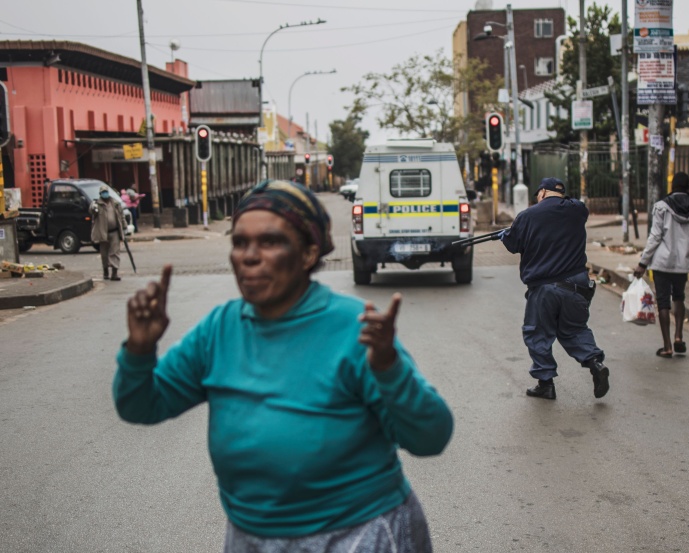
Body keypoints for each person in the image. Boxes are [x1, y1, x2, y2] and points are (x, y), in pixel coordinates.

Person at [113, 180, 453, 552]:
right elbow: (139, 406)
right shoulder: (219, 329)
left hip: (358, 534)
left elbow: (431, 437)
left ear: (308, 253)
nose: (249, 255)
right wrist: (139, 350)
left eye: (270, 242)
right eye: (240, 242)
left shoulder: (353, 328)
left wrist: (389, 368)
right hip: (251, 538)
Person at [499, 177, 609, 401]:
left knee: (538, 333)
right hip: (577, 285)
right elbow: (570, 206)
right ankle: (595, 363)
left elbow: (513, 245)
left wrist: (506, 234)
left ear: (541, 193)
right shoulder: (578, 210)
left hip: (544, 288)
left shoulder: (528, 216)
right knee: (576, 330)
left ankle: (545, 384)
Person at [633, 172, 689, 358]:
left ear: (672, 186)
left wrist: (643, 263)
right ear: (688, 187)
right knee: (679, 298)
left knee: (663, 303)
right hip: (683, 263)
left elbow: (655, 237)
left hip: (661, 263)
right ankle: (678, 336)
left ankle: (667, 346)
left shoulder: (662, 207)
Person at [90, 185, 127, 281]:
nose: (105, 194)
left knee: (115, 252)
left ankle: (114, 273)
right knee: (104, 254)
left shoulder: (115, 203)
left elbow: (121, 216)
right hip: (103, 233)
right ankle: (105, 271)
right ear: (100, 194)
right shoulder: (97, 204)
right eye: (103, 192)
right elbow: (91, 211)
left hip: (114, 231)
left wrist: (124, 226)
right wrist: (93, 207)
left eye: (106, 192)